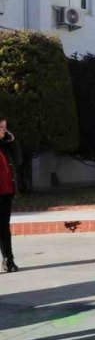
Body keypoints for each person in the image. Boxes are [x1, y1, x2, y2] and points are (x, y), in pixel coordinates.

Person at [0, 115, 23, 272]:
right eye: (1, 127)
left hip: (6, 193)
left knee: (3, 227)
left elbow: (18, 160)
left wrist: (13, 142)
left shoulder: (5, 146)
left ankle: (8, 260)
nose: (4, 131)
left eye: (5, 127)